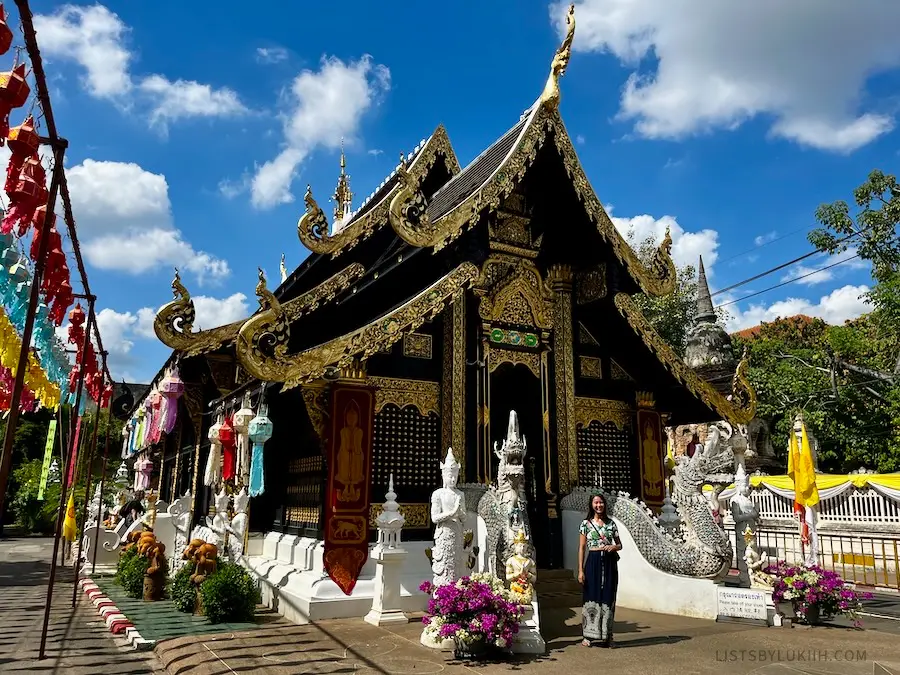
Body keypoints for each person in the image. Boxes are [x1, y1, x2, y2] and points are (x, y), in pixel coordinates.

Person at [577, 492, 621, 647]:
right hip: (593, 562)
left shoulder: (611, 524)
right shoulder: (585, 524)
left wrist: (614, 547)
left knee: (608, 596)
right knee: (591, 595)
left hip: (609, 563)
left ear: (604, 504)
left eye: (601, 502)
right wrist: (580, 570)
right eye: (596, 503)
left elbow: (619, 544)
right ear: (591, 505)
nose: (598, 505)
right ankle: (588, 636)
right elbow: (582, 548)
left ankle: (607, 635)